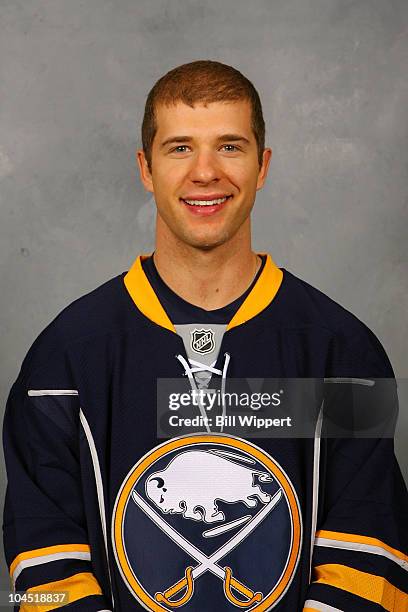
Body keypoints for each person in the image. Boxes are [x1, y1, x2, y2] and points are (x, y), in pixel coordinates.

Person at [3, 60, 407, 611]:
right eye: (180, 149)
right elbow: (40, 569)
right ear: (145, 168)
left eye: (230, 147)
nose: (205, 173)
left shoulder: (344, 353)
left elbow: (370, 556)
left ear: (263, 165)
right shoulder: (62, 362)